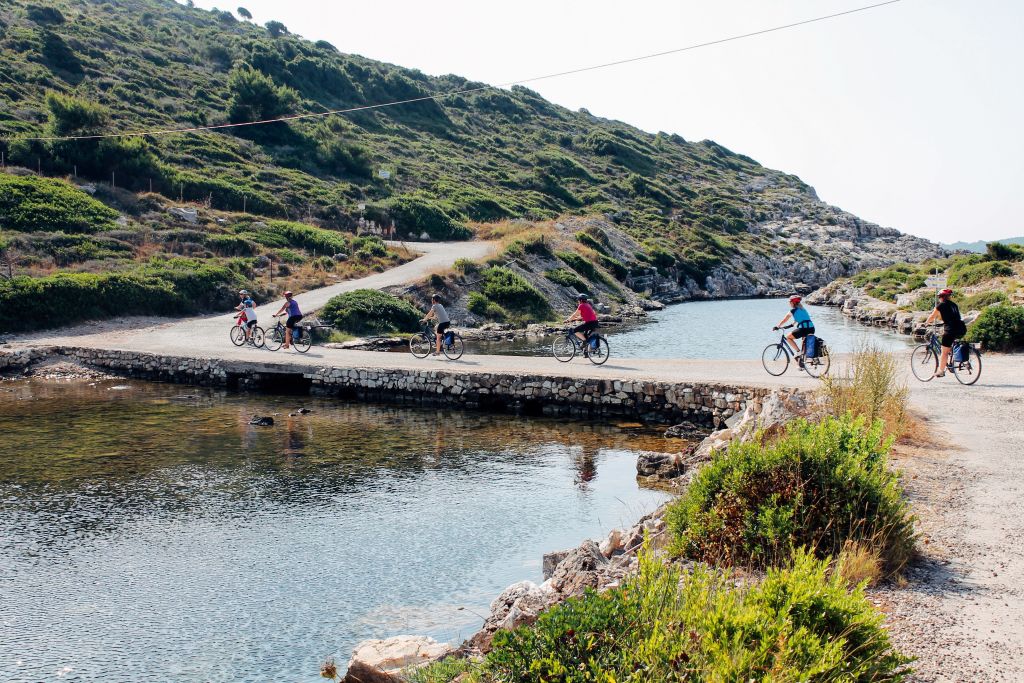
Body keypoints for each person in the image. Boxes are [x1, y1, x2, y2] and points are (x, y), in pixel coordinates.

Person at [924, 288, 967, 378]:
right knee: (949, 347)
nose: (939, 298)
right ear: (949, 297)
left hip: (950, 330)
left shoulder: (941, 305)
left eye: (939, 297)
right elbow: (954, 317)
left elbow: (932, 316)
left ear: (941, 297)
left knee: (944, 352)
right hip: (960, 328)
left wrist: (926, 323)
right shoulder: (954, 305)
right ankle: (952, 362)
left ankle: (941, 371)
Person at [774, 295, 815, 366]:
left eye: (790, 302)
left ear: (793, 303)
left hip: (803, 329)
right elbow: (798, 320)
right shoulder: (803, 309)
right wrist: (791, 325)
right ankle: (802, 363)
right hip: (811, 328)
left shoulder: (793, 310)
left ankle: (798, 352)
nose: (789, 303)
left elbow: (785, 319)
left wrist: (778, 326)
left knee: (788, 337)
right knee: (804, 343)